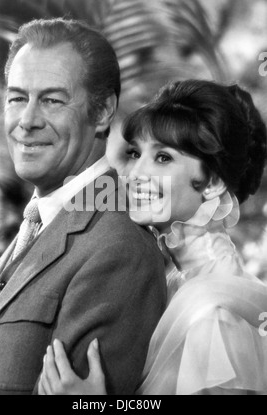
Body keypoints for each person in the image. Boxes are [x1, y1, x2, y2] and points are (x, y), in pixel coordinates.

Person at [0, 18, 167, 395]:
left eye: (52, 100)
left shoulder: (117, 246)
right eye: (17, 98)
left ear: (103, 111)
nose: (26, 121)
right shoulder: (44, 217)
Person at [38, 79, 267, 395]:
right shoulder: (176, 281)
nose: (135, 174)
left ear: (212, 182)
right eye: (135, 153)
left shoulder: (215, 316)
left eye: (163, 158)